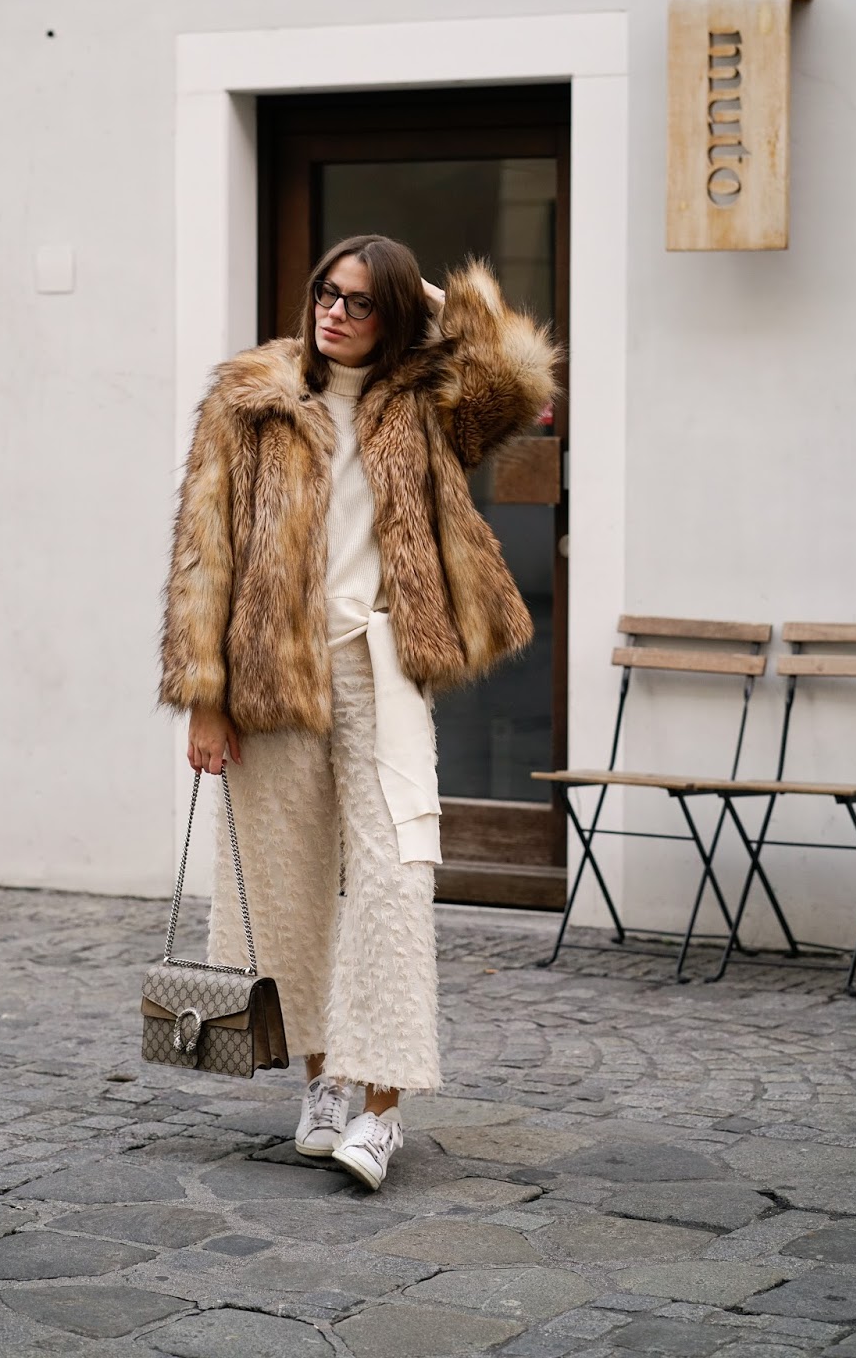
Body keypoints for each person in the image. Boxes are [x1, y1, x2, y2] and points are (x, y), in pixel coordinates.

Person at [160, 234, 556, 1190]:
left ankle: (382, 1109)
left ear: (394, 315)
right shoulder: (248, 401)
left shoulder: (423, 403)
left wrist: (430, 295)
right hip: (271, 677)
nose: (334, 313)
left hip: (379, 668)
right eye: (325, 294)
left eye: (360, 301)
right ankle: (323, 1083)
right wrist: (205, 699)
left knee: (393, 882)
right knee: (287, 889)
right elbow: (203, 557)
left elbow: (516, 380)